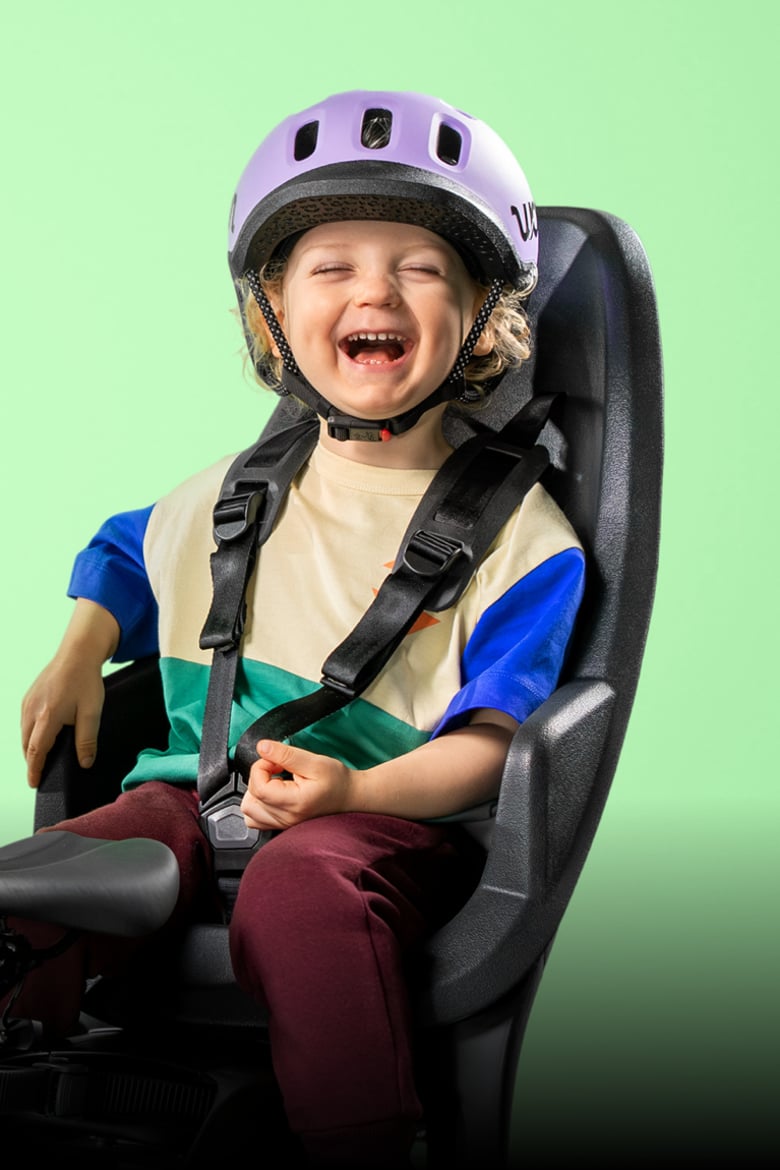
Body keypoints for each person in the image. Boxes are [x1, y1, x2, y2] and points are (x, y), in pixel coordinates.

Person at [7, 91, 585, 1167]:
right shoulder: (233, 493)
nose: (376, 290)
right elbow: (130, 549)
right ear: (271, 312)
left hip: (389, 827)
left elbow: (493, 748)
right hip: (193, 793)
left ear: (482, 315)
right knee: (37, 880)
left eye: (419, 268)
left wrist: (356, 792)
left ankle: (366, 1140)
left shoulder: (523, 540)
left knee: (300, 889)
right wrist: (82, 649)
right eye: (333, 268)